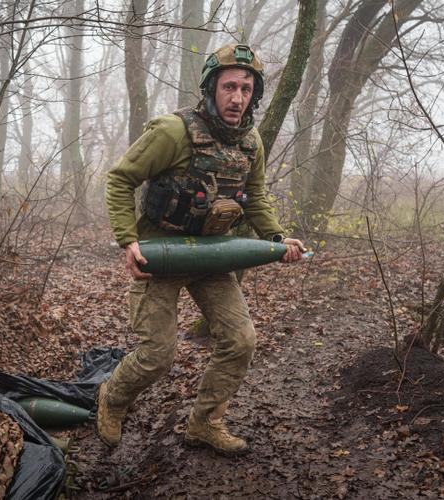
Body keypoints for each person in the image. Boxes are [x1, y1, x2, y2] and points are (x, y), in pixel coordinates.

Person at [98, 43, 305, 455]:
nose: (238, 98)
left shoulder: (251, 142)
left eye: (247, 89)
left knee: (241, 340)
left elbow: (257, 194)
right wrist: (129, 241)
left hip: (213, 255)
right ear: (211, 88)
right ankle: (112, 398)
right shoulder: (173, 132)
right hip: (161, 253)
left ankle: (204, 423)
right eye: (229, 87)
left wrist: (277, 238)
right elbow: (120, 179)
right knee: (157, 355)